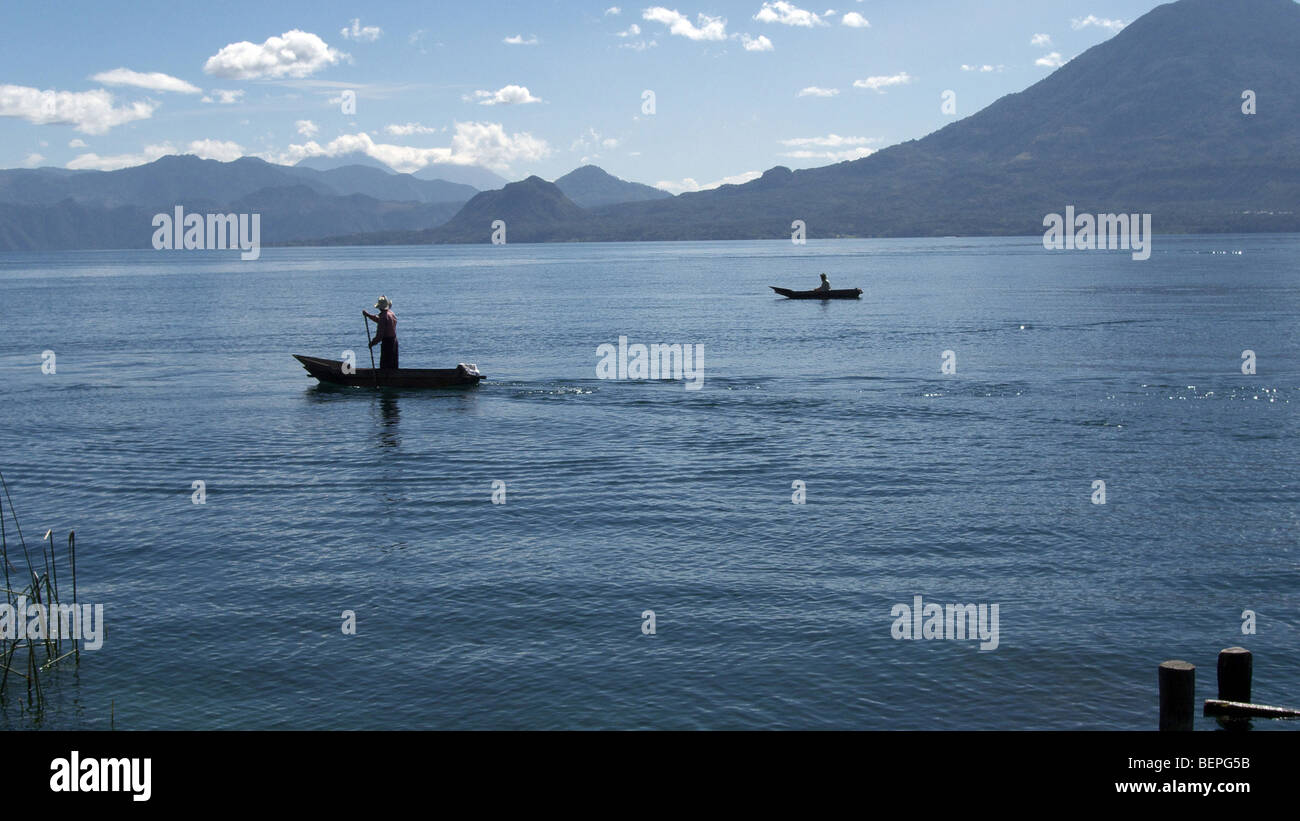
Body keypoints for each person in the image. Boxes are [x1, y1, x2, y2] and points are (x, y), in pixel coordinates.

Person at [364, 296, 398, 370]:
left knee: (385, 366)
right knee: (393, 366)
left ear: (380, 307)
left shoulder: (383, 317)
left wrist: (372, 343)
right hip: (394, 341)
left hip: (387, 343)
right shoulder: (391, 313)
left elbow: (380, 335)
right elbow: (381, 321)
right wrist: (368, 315)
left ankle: (385, 380)